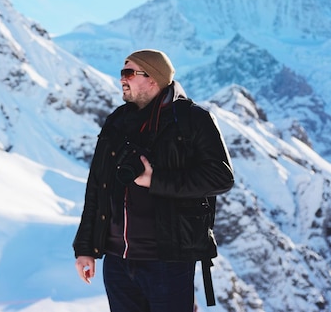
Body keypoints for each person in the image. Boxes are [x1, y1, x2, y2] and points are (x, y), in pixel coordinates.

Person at [73, 49, 234, 311]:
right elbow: (97, 188)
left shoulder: (193, 120)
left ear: (153, 78)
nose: (121, 80)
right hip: (117, 261)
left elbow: (221, 177)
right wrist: (85, 248)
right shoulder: (116, 121)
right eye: (121, 73)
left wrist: (155, 179)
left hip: (168, 261)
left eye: (128, 73)